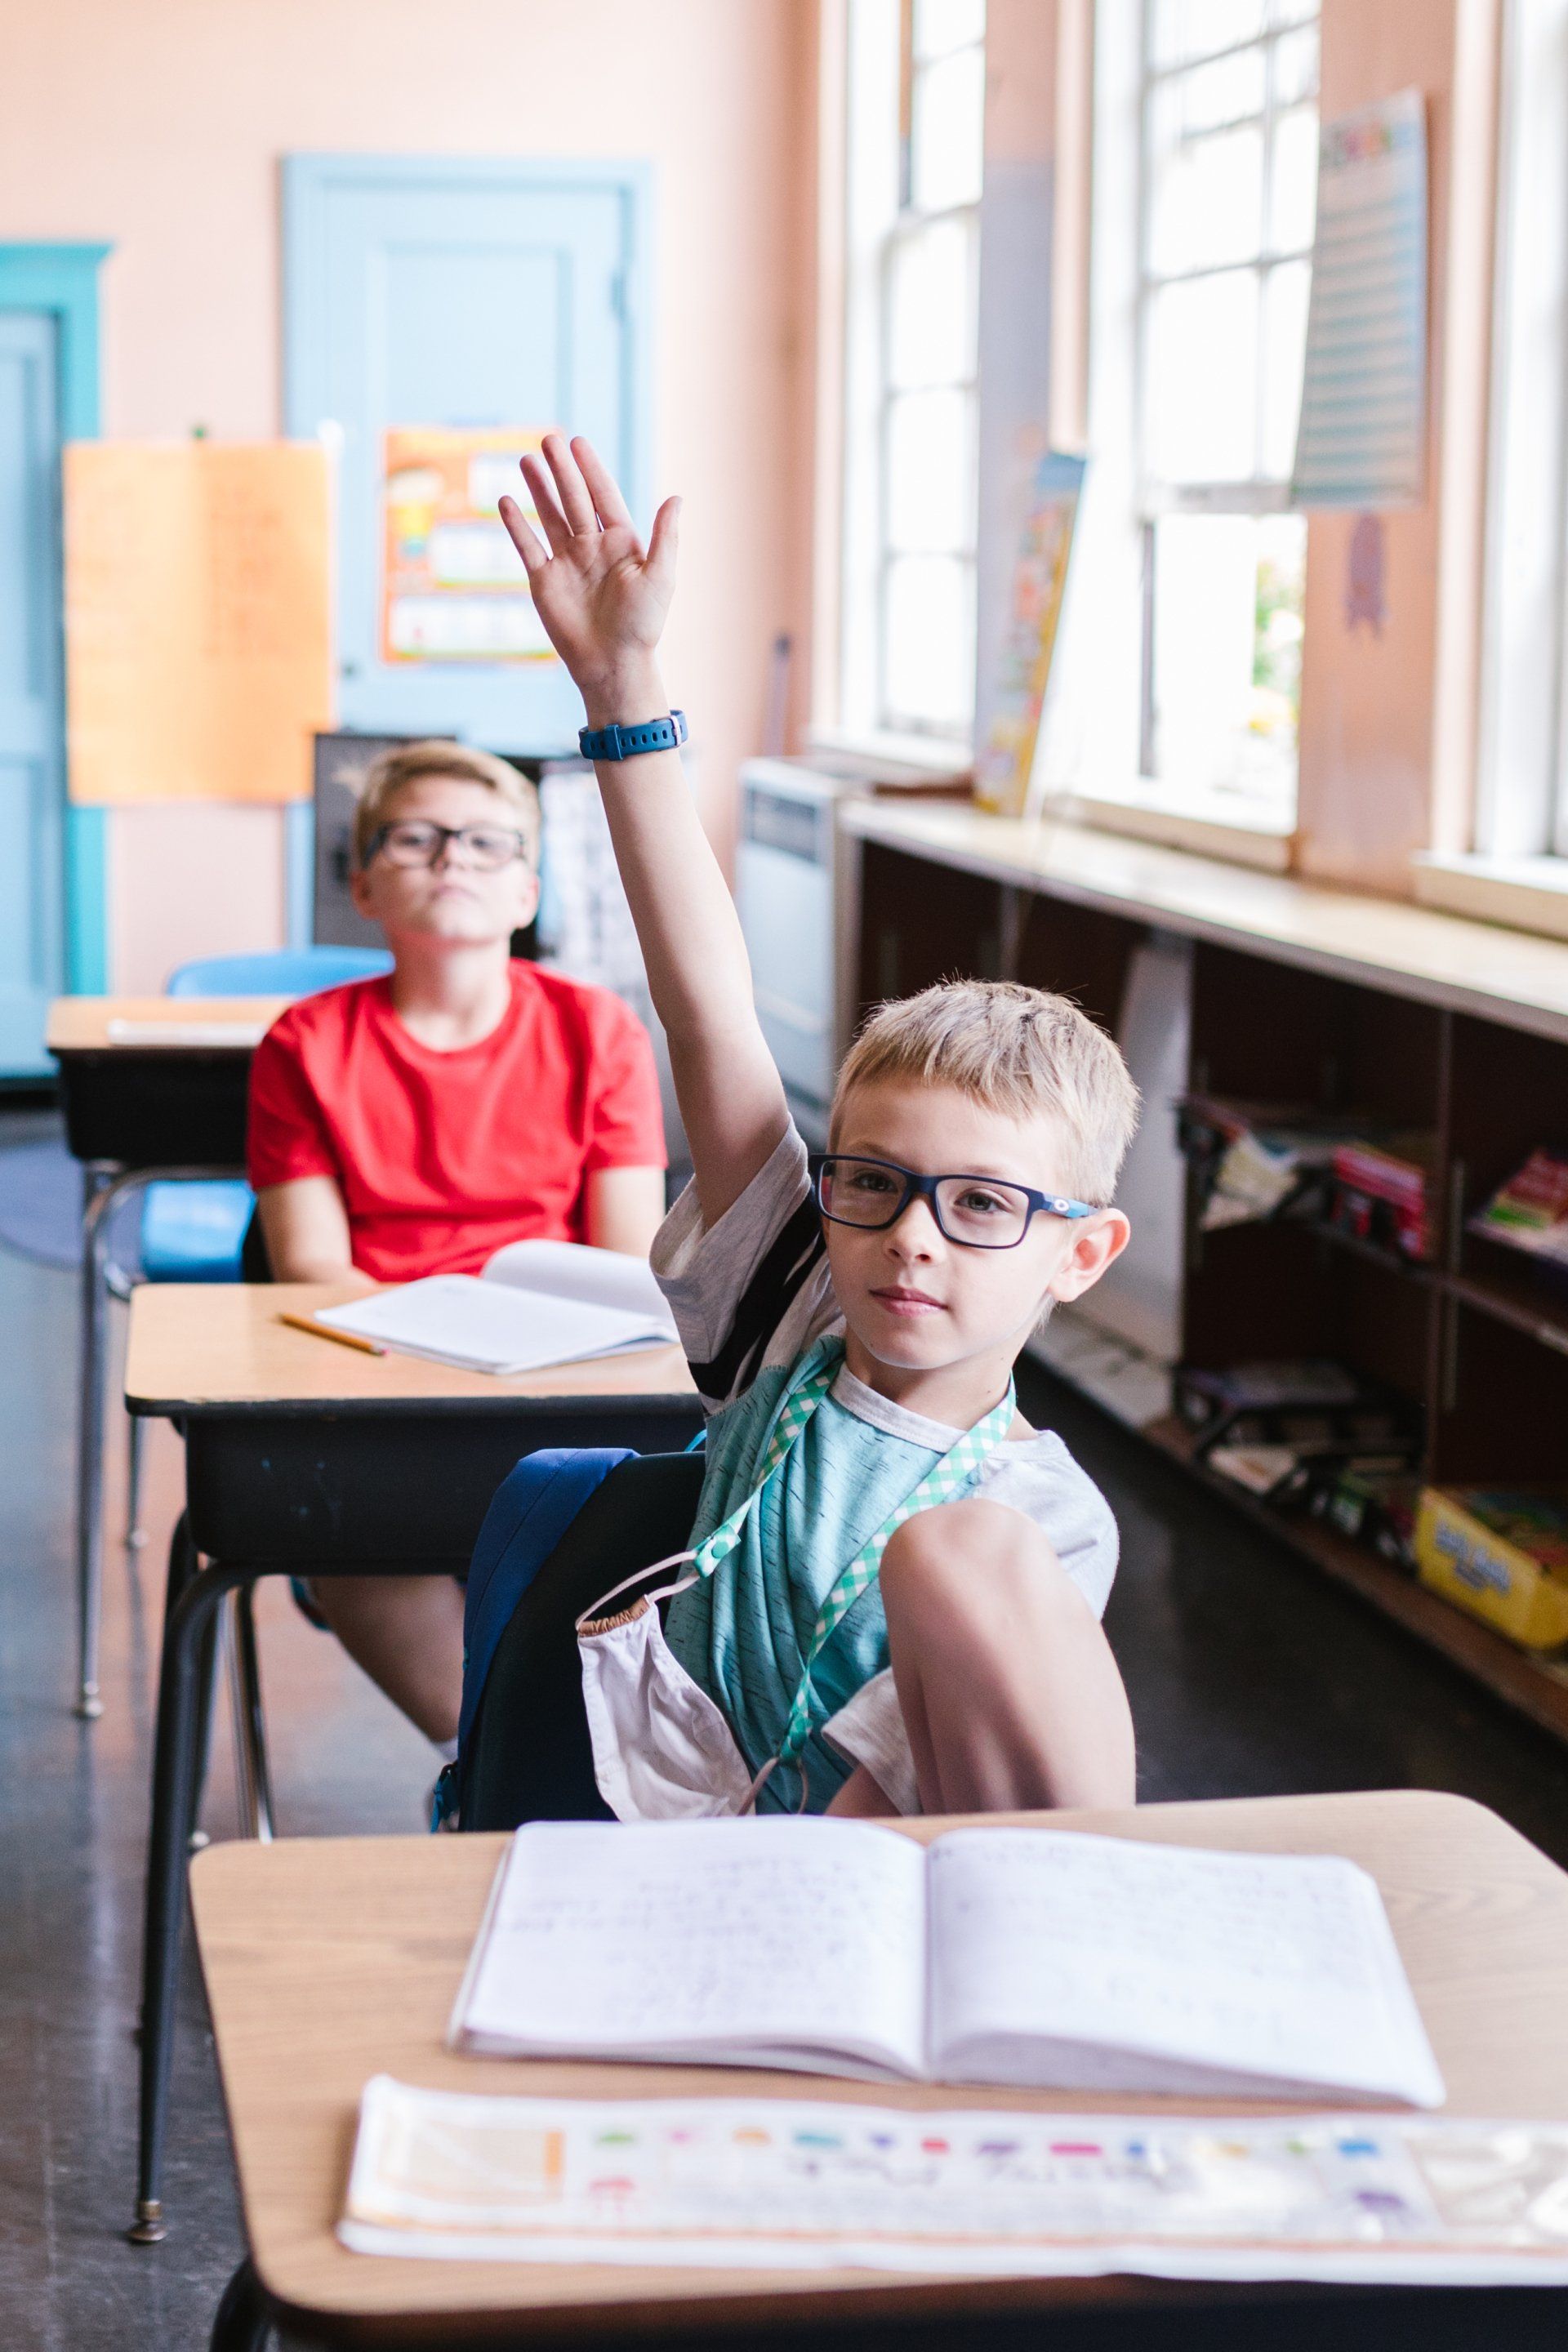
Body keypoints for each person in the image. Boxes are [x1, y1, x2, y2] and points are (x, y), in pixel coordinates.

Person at [495, 434, 1139, 1818]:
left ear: (1081, 1253)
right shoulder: (793, 1313)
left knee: (961, 1565)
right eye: (875, 1185)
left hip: (863, 1899)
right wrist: (624, 685)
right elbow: (711, 1013)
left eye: (981, 1206)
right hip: (653, 1849)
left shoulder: (1042, 1525)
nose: (911, 1239)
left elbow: (919, 1812)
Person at [247, 738, 666, 1748]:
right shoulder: (304, 1044)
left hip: (563, 1387)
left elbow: (627, 1263)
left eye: (487, 842)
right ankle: (491, 1767)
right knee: (341, 1520)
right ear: (362, 885)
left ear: (527, 889)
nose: (453, 859)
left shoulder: (598, 1030)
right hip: (383, 1383)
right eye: (417, 838)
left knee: (652, 1522)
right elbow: (312, 1265)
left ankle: (553, 1770)